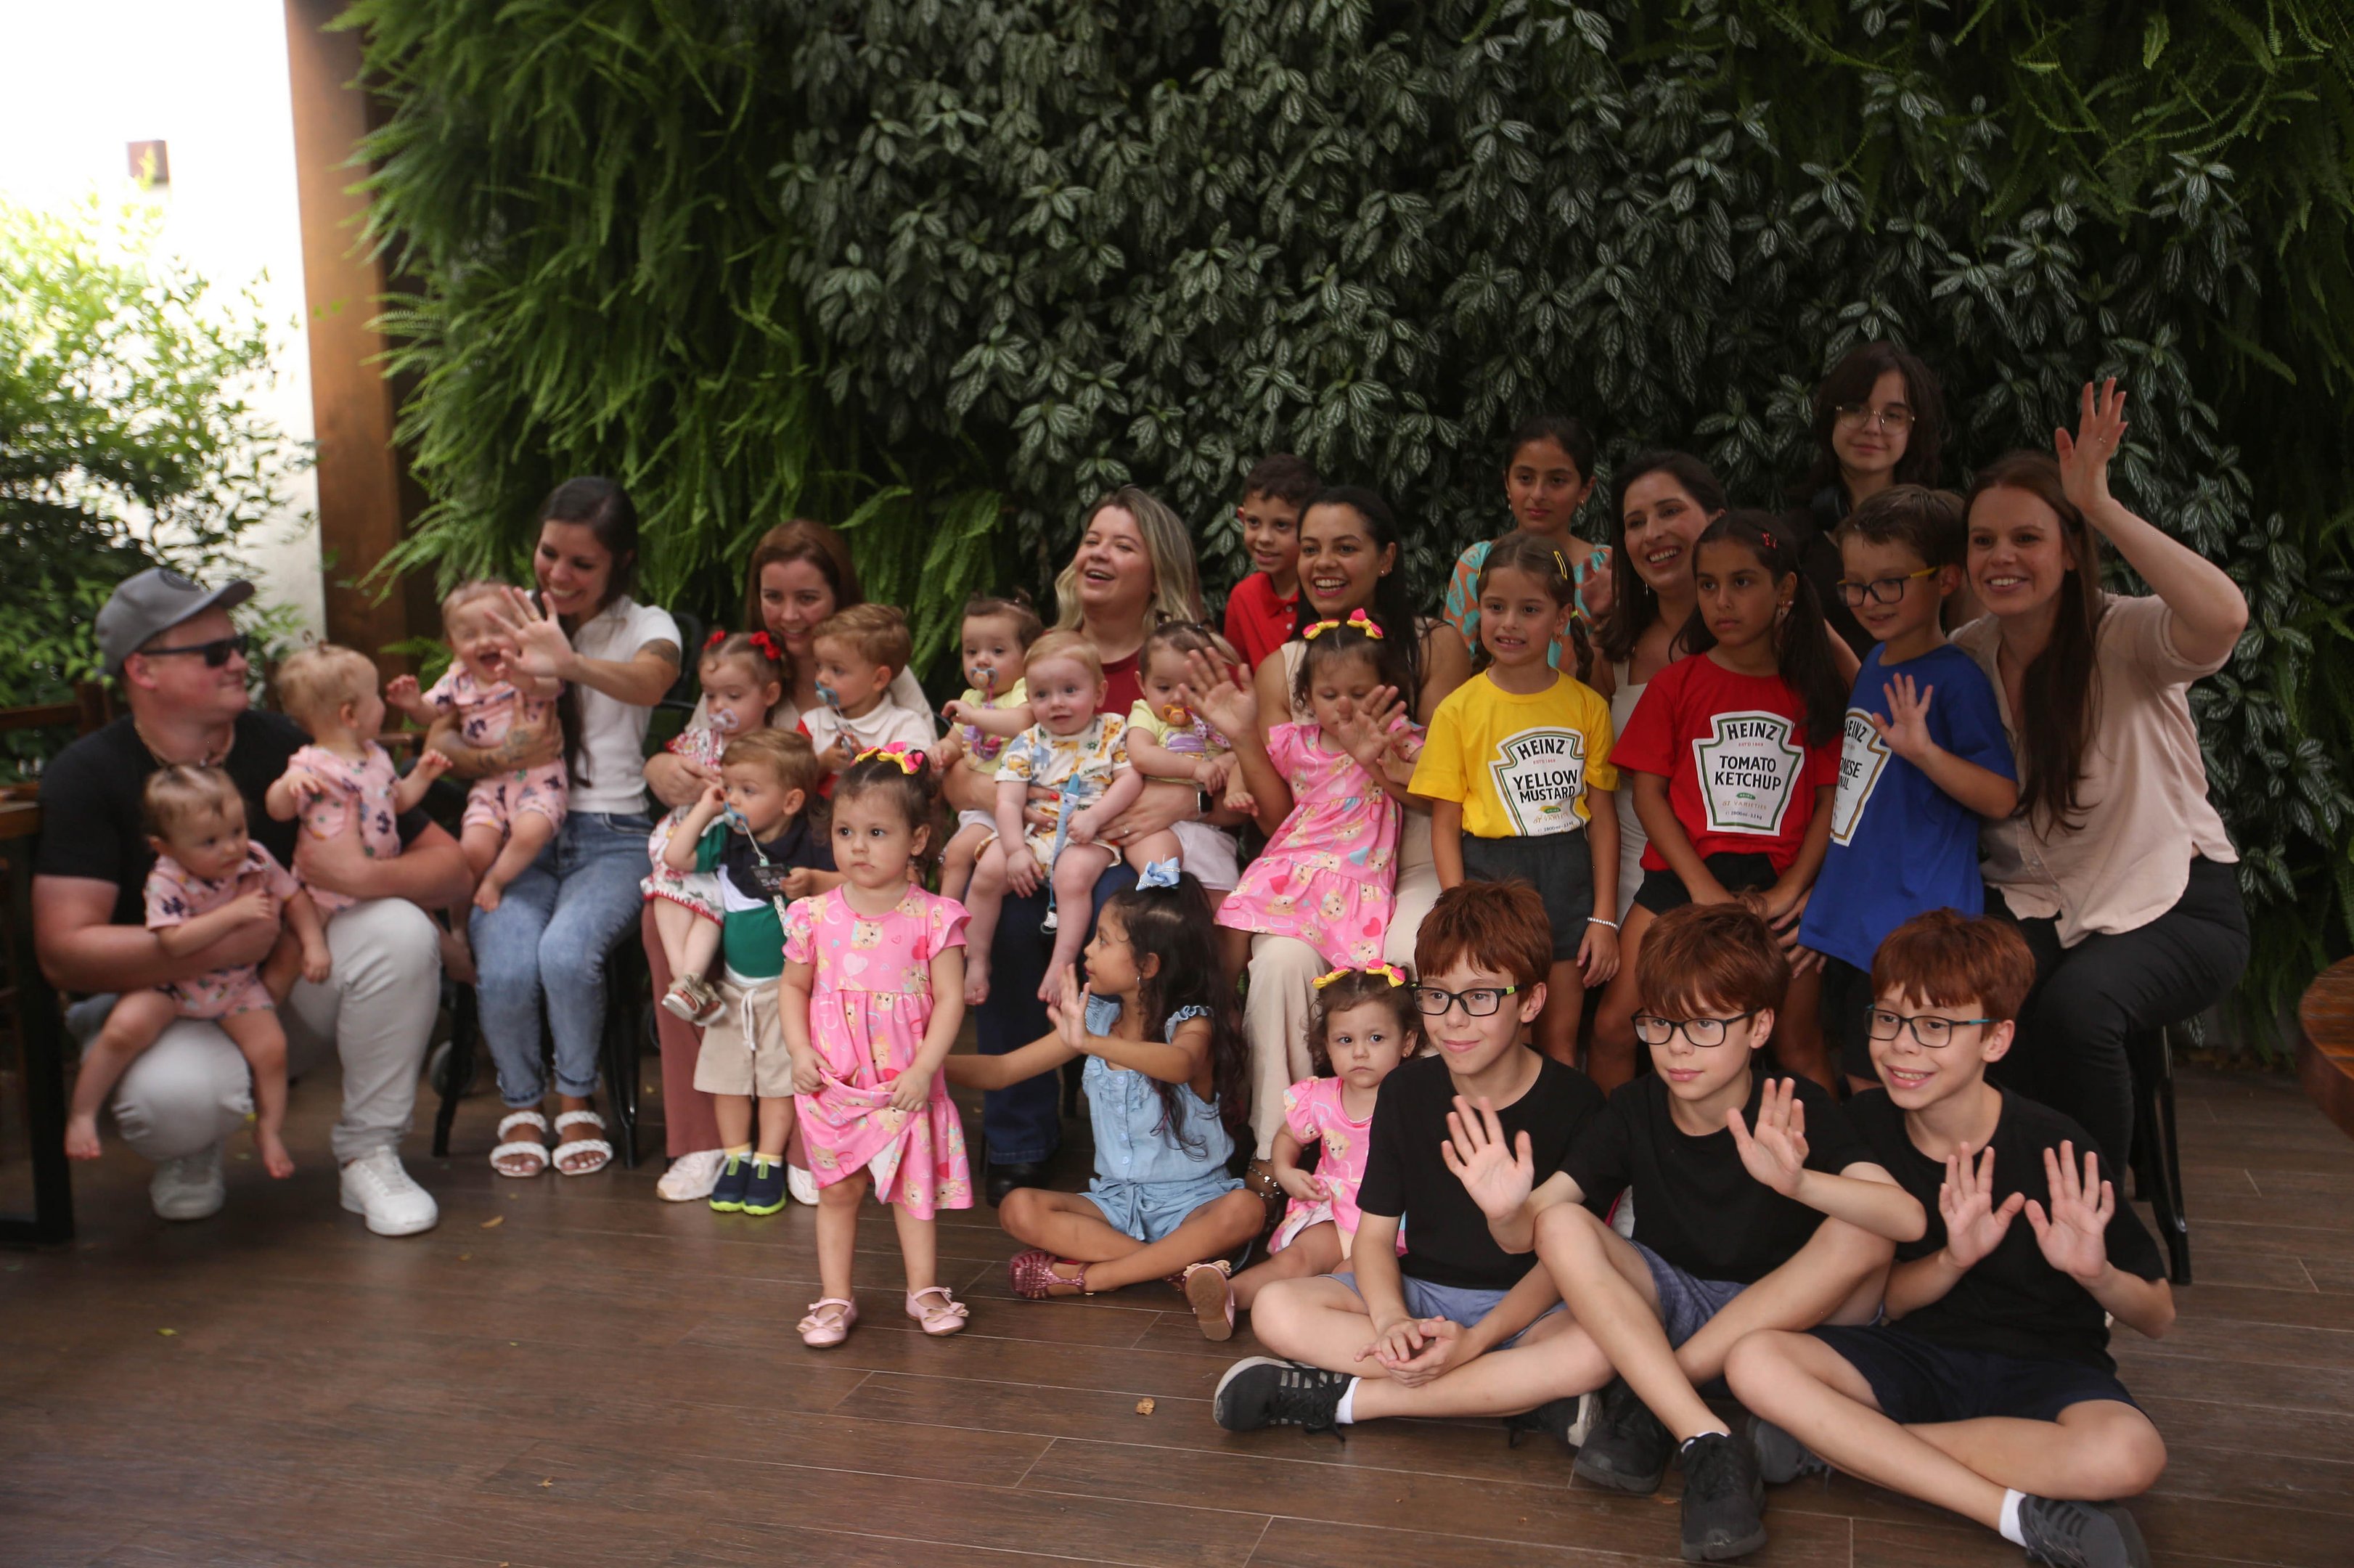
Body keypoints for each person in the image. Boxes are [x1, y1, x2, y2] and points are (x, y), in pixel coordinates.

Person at [1448, 902, 1921, 1563]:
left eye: (1703, 1025)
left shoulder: (1796, 1104)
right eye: (1661, 1024)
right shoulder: (1633, 1107)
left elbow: (1906, 1219)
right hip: (1680, 1303)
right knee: (1560, 1220)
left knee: (1863, 1230)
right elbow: (1535, 1231)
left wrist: (1799, 1184)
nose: (1675, 1048)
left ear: (1759, 1026)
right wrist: (1505, 1212)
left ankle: (1654, 1398)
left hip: (1789, 1323)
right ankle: (1704, 1434)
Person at [1726, 910, 2172, 1568]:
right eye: (1887, 1019)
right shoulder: (1865, 1127)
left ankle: (1845, 1447)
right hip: (1912, 1356)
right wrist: (1951, 1261)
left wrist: (2094, 1272)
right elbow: (1885, 1302)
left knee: (2130, 1453)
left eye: (1935, 1027)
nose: (1903, 1046)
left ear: (1995, 1040)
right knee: (1755, 1360)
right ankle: (2007, 1510)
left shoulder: (2055, 1143)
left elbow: (2157, 1315)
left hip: (2045, 1368)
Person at [33, 568, 466, 1233]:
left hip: (286, 989)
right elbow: (64, 952)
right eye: (213, 653)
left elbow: (450, 869)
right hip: (170, 1003)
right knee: (172, 1105)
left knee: (399, 929)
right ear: (142, 670)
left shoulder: (299, 747)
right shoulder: (88, 774)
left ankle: (368, 1152)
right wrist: (215, 941)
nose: (238, 660)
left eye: (235, 644)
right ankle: (189, 1146)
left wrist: (359, 878)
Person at [1954, 380, 2249, 1169]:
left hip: (2173, 904)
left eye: (2027, 538)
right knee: (1977, 1007)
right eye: (1983, 541)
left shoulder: (2124, 636)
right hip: (2041, 905)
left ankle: (2095, 1231)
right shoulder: (1967, 660)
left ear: (2068, 549)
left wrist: (2101, 505)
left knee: (2081, 1012)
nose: (2002, 557)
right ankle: (1998, 1205)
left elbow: (2222, 619)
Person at [1212, 881, 1603, 1436]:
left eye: (1481, 996)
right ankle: (1520, 1396)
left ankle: (1348, 1401)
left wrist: (1476, 1340)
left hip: (1526, 1312)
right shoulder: (1405, 1091)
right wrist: (1392, 1318)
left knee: (1593, 1348)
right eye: (1437, 995)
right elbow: (1372, 1238)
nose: (1454, 1019)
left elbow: (1559, 1267)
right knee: (1276, 1308)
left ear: (1532, 1002)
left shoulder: (1577, 1103)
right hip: (1418, 1294)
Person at [640, 518, 933, 1201]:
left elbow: (919, 764)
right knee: (670, 938)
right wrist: (663, 767)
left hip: (843, 854)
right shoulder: (749, 665)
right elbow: (689, 749)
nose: (790, 615)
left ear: (839, 597)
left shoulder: (871, 664)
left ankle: (813, 1140)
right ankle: (706, 1140)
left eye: (808, 597)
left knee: (828, 950)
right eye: (774, 597)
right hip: (748, 863)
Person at [946, 489, 1210, 1199]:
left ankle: (1141, 1138)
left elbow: (1228, 764)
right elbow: (967, 764)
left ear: (1159, 572)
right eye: (1092, 538)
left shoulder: (1180, 661)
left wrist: (1181, 795)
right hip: (1036, 839)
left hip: (1125, 852)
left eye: (1123, 544)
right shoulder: (1042, 656)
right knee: (1006, 919)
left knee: (1118, 921)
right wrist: (1001, 799)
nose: (1098, 553)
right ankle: (1018, 1136)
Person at [456, 478, 682, 1179]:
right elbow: (444, 727)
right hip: (519, 830)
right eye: (550, 553)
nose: (558, 574)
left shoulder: (648, 623)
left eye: (582, 563)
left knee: (565, 954)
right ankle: (522, 1105)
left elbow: (651, 683)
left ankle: (576, 1097)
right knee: (508, 960)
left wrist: (568, 662)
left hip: (611, 832)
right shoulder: (502, 616)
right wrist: (496, 757)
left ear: (620, 562)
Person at [1237, 485, 1470, 1162]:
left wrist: (1376, 765)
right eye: (1310, 549)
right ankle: (1273, 1153)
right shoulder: (1282, 669)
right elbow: (1285, 815)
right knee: (1279, 964)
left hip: (1417, 858)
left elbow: (1441, 794)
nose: (1323, 563)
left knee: (1406, 958)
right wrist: (1240, 743)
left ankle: (1409, 1151)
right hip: (1326, 871)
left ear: (1387, 557)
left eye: (1346, 547)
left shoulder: (1434, 646)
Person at [946, 867, 1264, 1341]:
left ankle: (1093, 1277)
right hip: (1115, 1206)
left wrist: (1092, 1044)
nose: (1087, 951)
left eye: (1103, 939)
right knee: (1017, 1207)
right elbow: (1003, 1070)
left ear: (1148, 965)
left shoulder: (1192, 1023)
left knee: (1244, 1208)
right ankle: (1176, 1271)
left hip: (1195, 1205)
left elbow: (1178, 1064)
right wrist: (922, 1065)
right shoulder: (1095, 1019)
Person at [1591, 511, 1847, 1092]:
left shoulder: (1812, 689)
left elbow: (1831, 801)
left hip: (1778, 888)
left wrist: (1791, 891)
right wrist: (1701, 888)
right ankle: (1607, 1171)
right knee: (1612, 1026)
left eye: (1742, 582)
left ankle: (1836, 1166)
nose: (1721, 601)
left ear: (1784, 590)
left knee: (1797, 1042)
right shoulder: (1676, 685)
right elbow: (1649, 798)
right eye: (1707, 584)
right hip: (1683, 881)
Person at [1796, 487, 2017, 1088]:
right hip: (1855, 924)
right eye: (1855, 585)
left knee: (1902, 1083)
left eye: (1889, 583)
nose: (1868, 601)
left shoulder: (1955, 679)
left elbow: (2000, 795)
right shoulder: (1878, 662)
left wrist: (1926, 754)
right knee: (1861, 1078)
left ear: (1945, 580)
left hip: (1916, 933)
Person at [781, 745, 975, 1346]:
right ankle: (835, 1296)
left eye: (876, 832)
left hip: (903, 1084)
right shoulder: (813, 916)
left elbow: (950, 1000)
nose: (857, 847)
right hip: (834, 1082)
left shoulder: (934, 917)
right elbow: (792, 988)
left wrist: (923, 1070)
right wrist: (798, 1050)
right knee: (836, 1191)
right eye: (845, 831)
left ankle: (923, 1289)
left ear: (917, 839)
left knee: (911, 1189)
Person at [65, 765, 331, 1181]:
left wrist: (313, 944)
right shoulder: (167, 880)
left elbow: (294, 897)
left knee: (272, 1051)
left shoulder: (256, 858)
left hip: (235, 985)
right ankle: (83, 1112)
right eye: (210, 841)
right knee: (123, 1030)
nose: (231, 848)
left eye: (237, 831)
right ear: (164, 847)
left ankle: (269, 1129)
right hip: (171, 984)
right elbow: (173, 944)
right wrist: (233, 914)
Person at [1415, 530, 1622, 1064]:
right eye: (1494, 607)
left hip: (1567, 874)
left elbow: (1600, 818)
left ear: (1559, 619)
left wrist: (1603, 918)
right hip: (1491, 879)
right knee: (1504, 1039)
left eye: (1528, 609)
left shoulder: (1588, 707)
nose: (1508, 623)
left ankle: (1555, 1144)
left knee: (1559, 1038)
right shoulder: (1458, 710)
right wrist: (1458, 909)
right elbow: (1444, 823)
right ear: (1477, 612)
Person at [657, 729, 832, 1209]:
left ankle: (769, 1160)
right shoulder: (728, 840)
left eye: (747, 791)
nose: (733, 799)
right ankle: (736, 1156)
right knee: (728, 1079)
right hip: (733, 990)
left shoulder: (811, 842)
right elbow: (675, 858)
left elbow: (851, 886)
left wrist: (815, 882)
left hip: (785, 993)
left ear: (792, 800)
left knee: (777, 1082)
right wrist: (706, 808)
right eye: (729, 787)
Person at [1211, 613, 1419, 976]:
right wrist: (1236, 788)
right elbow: (1245, 762)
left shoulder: (1392, 734)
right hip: (1295, 858)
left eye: (1358, 694)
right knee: (1235, 913)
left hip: (1356, 869)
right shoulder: (1296, 741)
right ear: (1307, 696)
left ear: (1385, 690)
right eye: (1329, 694)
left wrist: (1390, 761)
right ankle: (1221, 1004)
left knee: (1349, 969)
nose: (1343, 705)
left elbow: (1434, 778)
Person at [962, 630, 1140, 1008]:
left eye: (1070, 690)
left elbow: (1130, 780)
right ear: (1030, 700)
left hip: (1088, 833)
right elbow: (1008, 802)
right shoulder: (1027, 742)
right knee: (987, 873)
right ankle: (977, 960)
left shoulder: (1111, 731)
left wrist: (1095, 816)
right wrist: (1014, 851)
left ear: (1099, 694)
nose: (1056, 703)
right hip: (1033, 831)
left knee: (1071, 876)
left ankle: (1062, 967)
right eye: (1042, 694)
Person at [1230, 964, 1421, 1310]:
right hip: (1332, 1210)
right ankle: (1227, 1294)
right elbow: (1288, 1135)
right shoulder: (1320, 1098)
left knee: (1355, 1273)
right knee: (1297, 1259)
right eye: (1345, 1040)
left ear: (1407, 1042)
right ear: (1327, 1046)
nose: (1359, 1052)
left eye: (1376, 1038)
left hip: (1392, 1225)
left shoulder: (1415, 1100)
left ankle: (1314, 1313)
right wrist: (1285, 1171)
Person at [1591, 453, 1728, 920]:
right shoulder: (1612, 650)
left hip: (1746, 884)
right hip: (1631, 884)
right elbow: (1592, 785)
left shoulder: (1773, 639)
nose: (1652, 534)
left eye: (1670, 511)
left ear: (1718, 520)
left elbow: (1858, 719)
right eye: (1635, 522)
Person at [386, 580, 568, 912]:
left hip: (540, 779)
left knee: (530, 832)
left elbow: (552, 685)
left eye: (495, 629)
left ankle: (495, 881)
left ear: (518, 632)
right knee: (472, 851)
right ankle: (457, 923)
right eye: (469, 635)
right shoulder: (458, 681)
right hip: (490, 785)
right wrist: (413, 704)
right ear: (453, 644)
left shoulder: (527, 665)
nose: (484, 641)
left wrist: (524, 679)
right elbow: (431, 712)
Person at [642, 631, 788, 1024]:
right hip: (691, 837)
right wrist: (668, 770)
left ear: (769, 695)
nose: (718, 706)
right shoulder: (698, 742)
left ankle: (687, 980)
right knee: (667, 891)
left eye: (733, 696)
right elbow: (666, 769)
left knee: (711, 909)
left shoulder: (774, 749)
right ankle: (685, 982)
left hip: (733, 850)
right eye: (710, 696)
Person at [267, 642, 452, 924]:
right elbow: (278, 811)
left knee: (426, 925)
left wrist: (422, 776)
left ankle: (459, 964)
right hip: (327, 892)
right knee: (304, 934)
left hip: (380, 881)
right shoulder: (311, 763)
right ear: (350, 716)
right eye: (376, 696)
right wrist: (288, 784)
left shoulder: (376, 756)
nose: (383, 704)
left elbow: (398, 801)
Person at [1787, 342, 1950, 658]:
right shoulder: (1794, 536)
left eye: (1893, 415)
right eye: (1855, 409)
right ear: (1830, 419)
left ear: (1914, 429)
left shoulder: (1941, 528)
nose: (1873, 428)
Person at [1442, 414, 1615, 658]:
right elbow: (1454, 663)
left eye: (1557, 480)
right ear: (1507, 483)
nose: (1538, 493)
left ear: (1585, 488)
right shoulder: (1477, 564)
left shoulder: (1605, 569)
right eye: (1525, 478)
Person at [1120, 621, 1248, 906]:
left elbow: (1243, 753)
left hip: (1210, 830)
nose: (1178, 698)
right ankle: (1159, 910)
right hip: (1155, 828)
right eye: (1164, 687)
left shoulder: (1216, 717)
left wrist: (1230, 760)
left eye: (1192, 688)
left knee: (1224, 902)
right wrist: (1195, 769)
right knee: (1161, 867)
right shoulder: (1146, 714)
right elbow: (1141, 754)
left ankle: (1223, 945)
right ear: (1142, 684)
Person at [939, 595, 1043, 902]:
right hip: (983, 808)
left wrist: (974, 717)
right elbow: (955, 742)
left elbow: (1022, 722)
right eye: (972, 651)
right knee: (953, 859)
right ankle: (945, 917)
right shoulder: (971, 698)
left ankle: (945, 919)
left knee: (960, 854)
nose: (982, 660)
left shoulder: (1023, 691)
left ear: (1028, 658)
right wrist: (941, 752)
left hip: (1019, 805)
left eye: (997, 651)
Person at [800, 604, 936, 783]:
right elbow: (786, 780)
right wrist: (823, 763)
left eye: (837, 670)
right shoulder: (811, 724)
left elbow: (920, 782)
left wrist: (869, 761)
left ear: (879, 679)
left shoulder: (904, 726)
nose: (822, 678)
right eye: (819, 666)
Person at [1222, 454, 1318, 670]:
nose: (1264, 538)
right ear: (1242, 517)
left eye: (1281, 525)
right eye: (1254, 522)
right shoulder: (1243, 598)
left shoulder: (1326, 593)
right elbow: (1239, 679)